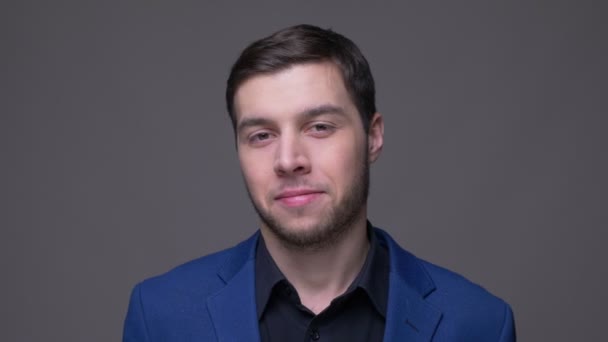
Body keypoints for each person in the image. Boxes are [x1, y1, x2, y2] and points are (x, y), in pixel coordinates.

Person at [123, 24, 516, 341]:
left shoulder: (478, 324)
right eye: (261, 135)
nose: (288, 160)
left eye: (320, 127)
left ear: (373, 136)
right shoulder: (160, 317)